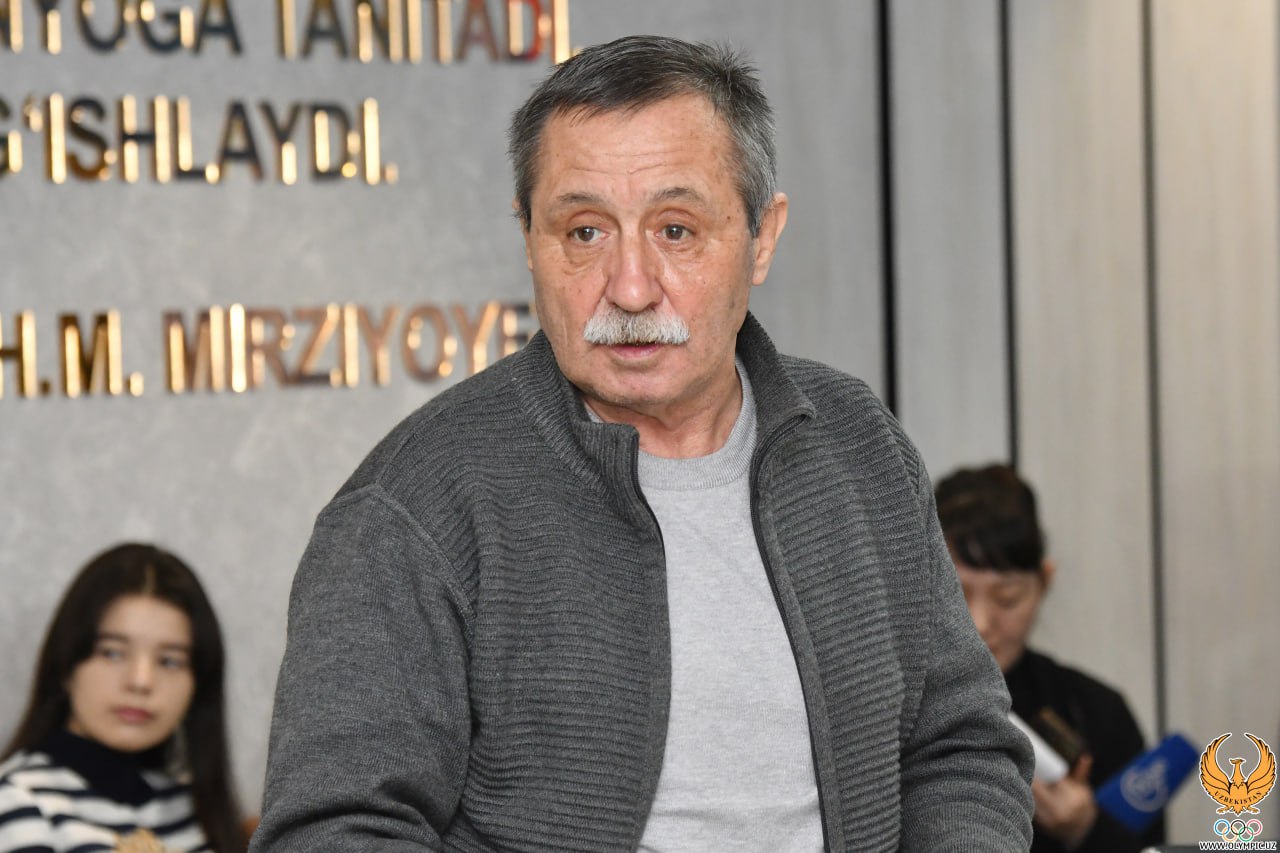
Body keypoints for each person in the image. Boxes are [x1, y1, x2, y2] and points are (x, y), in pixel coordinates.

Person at [254, 35, 1033, 851]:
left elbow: (960, 747)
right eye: (585, 232)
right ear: (528, 238)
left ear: (762, 237)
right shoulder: (413, 505)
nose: (629, 288)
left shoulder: (856, 443)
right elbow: (333, 831)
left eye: (676, 229)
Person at [935, 464, 1164, 853]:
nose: (980, 623)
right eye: (957, 593)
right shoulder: (893, 709)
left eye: (1007, 598)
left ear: (1044, 582)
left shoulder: (1096, 712)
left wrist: (1086, 828)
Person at [0, 543, 247, 853]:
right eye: (113, 653)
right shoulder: (18, 800)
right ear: (65, 665)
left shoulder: (195, 805)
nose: (141, 681)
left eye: (169, 661)